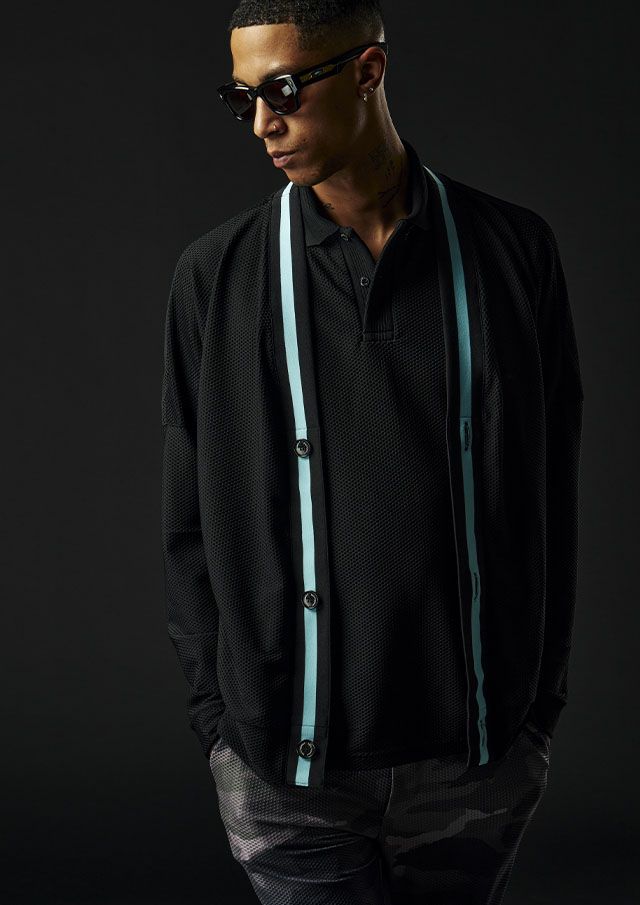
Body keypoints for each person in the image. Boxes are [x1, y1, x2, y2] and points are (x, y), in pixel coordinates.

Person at [160, 1, 584, 902]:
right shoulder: (218, 274)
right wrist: (219, 724)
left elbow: (549, 496)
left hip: (473, 760)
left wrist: (536, 706)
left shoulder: (512, 253)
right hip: (285, 767)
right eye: (243, 99)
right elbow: (188, 522)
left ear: (368, 71)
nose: (263, 123)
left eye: (283, 90)